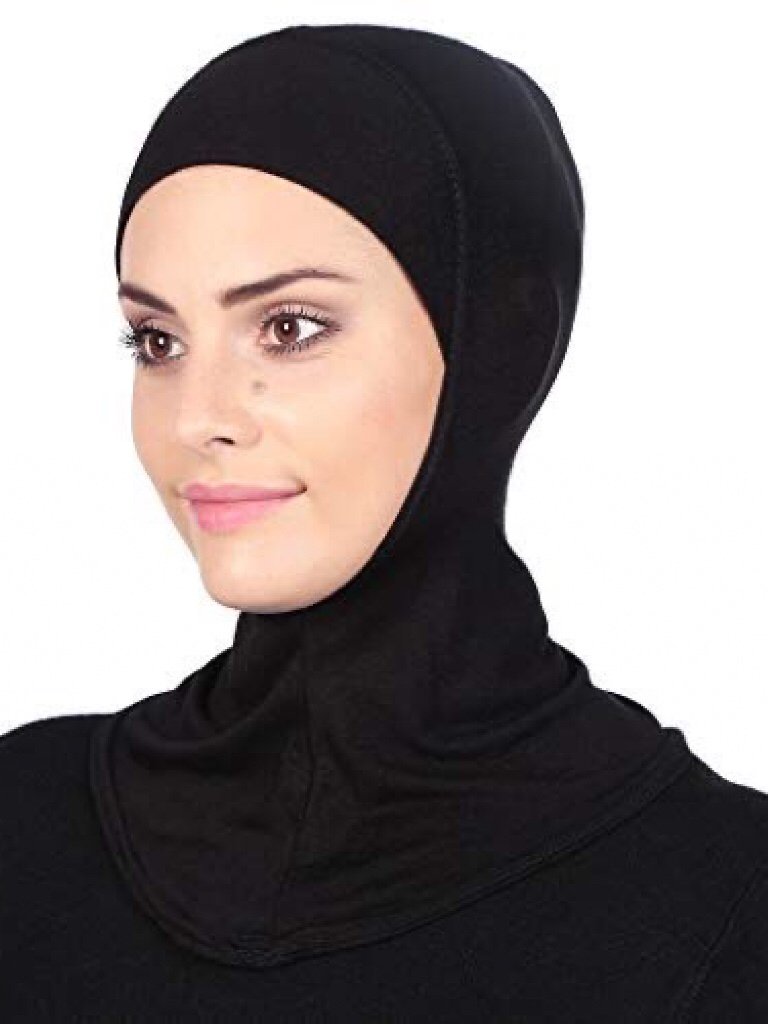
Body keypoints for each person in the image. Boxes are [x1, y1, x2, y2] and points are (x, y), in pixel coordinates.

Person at [1, 22, 767, 1020]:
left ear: (496, 340)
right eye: (157, 341)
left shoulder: (722, 898)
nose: (196, 418)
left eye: (288, 328)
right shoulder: (26, 821)